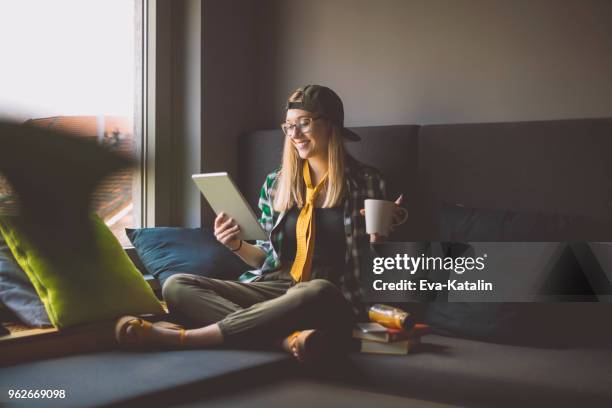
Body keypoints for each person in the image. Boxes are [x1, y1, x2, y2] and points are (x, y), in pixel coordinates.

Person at [115, 85, 404, 361]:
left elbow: (377, 271)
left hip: (328, 295)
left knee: (316, 289)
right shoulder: (277, 183)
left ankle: (190, 338)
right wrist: (236, 244)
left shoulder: (366, 182)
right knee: (176, 286)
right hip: (275, 287)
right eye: (288, 125)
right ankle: (282, 340)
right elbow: (266, 259)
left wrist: (381, 238)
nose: (294, 133)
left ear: (331, 125)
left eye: (304, 123)